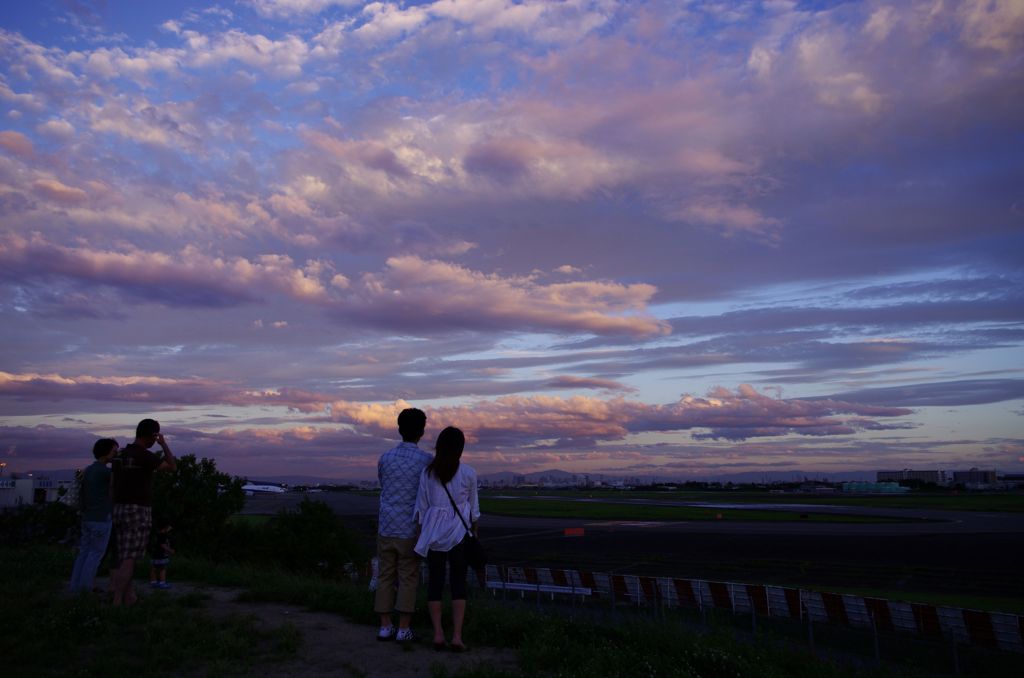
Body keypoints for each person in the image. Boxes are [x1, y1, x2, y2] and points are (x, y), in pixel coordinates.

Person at [414, 426, 480, 652]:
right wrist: (475, 533)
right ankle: (458, 637)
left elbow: (422, 509)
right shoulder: (469, 473)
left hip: (433, 535)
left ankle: (438, 634)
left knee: (435, 583)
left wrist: (423, 533)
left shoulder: (427, 473)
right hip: (459, 535)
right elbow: (474, 511)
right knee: (458, 584)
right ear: (460, 448)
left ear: (439, 447)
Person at [375, 407, 432, 643]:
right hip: (410, 528)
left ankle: (385, 626)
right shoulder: (426, 461)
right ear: (422, 431)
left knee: (385, 575)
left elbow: (382, 484)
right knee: (409, 576)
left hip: (386, 525)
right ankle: (403, 628)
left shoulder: (385, 458)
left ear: (399, 429)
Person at [110, 419, 177, 606]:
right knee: (130, 558)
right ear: (153, 436)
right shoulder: (145, 456)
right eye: (156, 436)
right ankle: (117, 601)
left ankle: (130, 597)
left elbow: (112, 485)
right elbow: (172, 467)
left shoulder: (120, 455)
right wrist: (164, 445)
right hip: (138, 509)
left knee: (124, 556)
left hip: (119, 508)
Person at [68, 438, 119, 594]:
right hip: (101, 518)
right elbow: (117, 485)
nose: (116, 454)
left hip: (87, 517)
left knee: (84, 552)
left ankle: (75, 587)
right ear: (106, 453)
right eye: (114, 451)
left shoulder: (89, 469)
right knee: (95, 555)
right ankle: (85, 589)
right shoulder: (105, 471)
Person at [149, 521, 174, 589]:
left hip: (154, 554)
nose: (170, 528)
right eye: (169, 527)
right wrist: (170, 550)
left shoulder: (156, 535)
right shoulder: (163, 535)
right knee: (162, 568)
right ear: (165, 528)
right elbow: (163, 545)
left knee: (154, 568)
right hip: (161, 555)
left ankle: (153, 582)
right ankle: (162, 583)